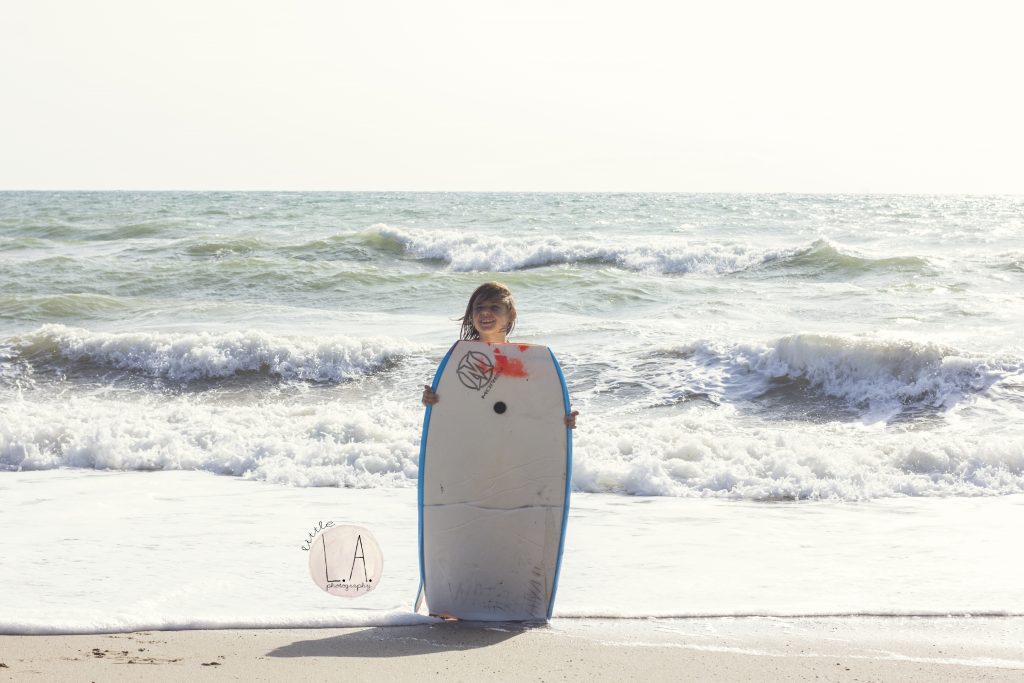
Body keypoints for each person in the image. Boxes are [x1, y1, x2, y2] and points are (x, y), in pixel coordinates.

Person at [421, 281, 578, 429]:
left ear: (511, 315)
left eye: (494, 307)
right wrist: (432, 399)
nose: (485, 312)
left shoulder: (522, 361)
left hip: (508, 436)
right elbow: (454, 398)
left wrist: (562, 419)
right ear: (471, 314)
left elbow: (535, 404)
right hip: (474, 434)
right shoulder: (461, 357)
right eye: (479, 307)